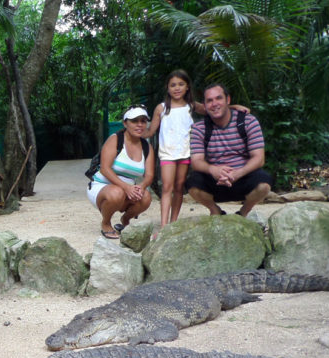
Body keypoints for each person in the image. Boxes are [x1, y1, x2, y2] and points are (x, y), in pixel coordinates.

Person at [144, 70, 250, 228]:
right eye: (173, 85)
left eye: (181, 84)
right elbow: (151, 131)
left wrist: (233, 107)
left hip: (186, 153)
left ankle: (173, 223)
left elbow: (213, 110)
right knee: (167, 187)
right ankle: (164, 225)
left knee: (180, 186)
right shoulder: (161, 108)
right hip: (167, 154)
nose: (177, 88)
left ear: (187, 87)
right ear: (167, 88)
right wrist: (132, 131)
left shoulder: (191, 105)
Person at [186, 83, 272, 217]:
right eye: (209, 100)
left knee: (264, 183)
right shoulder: (199, 128)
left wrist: (238, 173)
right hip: (216, 181)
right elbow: (196, 161)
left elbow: (259, 158)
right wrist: (214, 170)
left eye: (218, 98)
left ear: (228, 100)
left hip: (243, 178)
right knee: (192, 184)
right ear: (204, 105)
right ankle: (215, 211)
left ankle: (243, 212)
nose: (214, 104)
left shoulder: (248, 121)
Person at [87, 105, 154, 239]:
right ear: (125, 123)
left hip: (127, 190)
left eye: (143, 121)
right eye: (134, 121)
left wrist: (141, 186)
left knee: (146, 196)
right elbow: (105, 168)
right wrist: (126, 187)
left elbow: (150, 175)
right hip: (102, 187)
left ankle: (125, 220)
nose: (139, 125)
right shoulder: (115, 139)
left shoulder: (147, 146)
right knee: (117, 192)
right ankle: (106, 223)